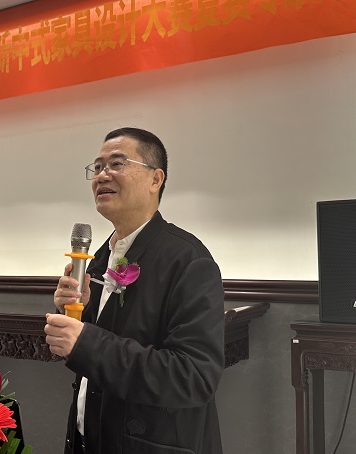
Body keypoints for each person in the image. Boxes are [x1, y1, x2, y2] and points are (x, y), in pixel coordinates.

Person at [44, 127, 225, 454]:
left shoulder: (189, 260)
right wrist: (74, 312)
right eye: (97, 167)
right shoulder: (100, 257)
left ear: (156, 179)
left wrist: (86, 341)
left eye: (117, 164)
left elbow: (194, 377)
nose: (102, 176)